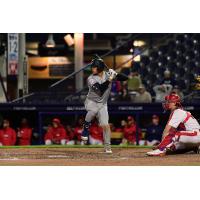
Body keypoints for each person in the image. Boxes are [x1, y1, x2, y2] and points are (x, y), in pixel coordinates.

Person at [81, 56, 128, 153]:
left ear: (99, 68)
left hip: (102, 104)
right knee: (93, 111)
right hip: (91, 101)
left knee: (105, 125)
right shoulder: (91, 78)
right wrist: (111, 78)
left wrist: (116, 73)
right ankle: (86, 127)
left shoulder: (108, 75)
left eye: (94, 67)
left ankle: (107, 147)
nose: (92, 68)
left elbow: (125, 78)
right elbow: (100, 90)